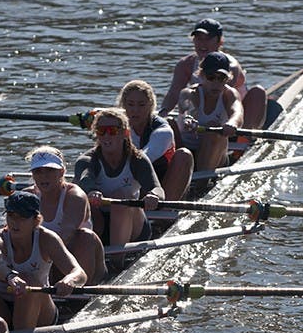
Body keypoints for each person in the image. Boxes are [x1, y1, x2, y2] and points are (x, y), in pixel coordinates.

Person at [0, 191, 87, 333]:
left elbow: (79, 272)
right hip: (3, 306)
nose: (15, 223)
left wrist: (69, 281)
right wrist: (10, 277)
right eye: (11, 216)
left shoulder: (47, 239)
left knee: (29, 282)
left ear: (36, 221)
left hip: (40, 309)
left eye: (22, 218)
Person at [73, 108, 165, 260]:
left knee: (120, 198)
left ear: (125, 133)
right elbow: (85, 179)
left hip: (134, 228)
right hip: (100, 223)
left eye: (113, 130)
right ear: (96, 134)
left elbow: (157, 188)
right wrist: (91, 191)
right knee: (80, 200)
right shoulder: (87, 160)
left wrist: (154, 195)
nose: (107, 135)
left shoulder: (137, 159)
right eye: (102, 131)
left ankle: (117, 261)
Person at [159, 18, 272, 130]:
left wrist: (231, 122)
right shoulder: (186, 64)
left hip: (234, 116)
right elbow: (174, 93)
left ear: (219, 41)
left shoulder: (230, 66)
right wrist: (163, 113)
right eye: (198, 38)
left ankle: (245, 138)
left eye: (207, 39)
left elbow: (222, 100)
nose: (202, 43)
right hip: (204, 116)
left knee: (258, 91)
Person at [24, 146, 107, 285]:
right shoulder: (27, 197)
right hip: (46, 261)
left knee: (85, 236)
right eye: (38, 171)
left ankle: (81, 290)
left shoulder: (75, 196)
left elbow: (66, 235)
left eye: (50, 170)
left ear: (62, 172)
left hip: (75, 260)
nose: (43, 176)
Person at [117, 79, 193, 201]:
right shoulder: (118, 126)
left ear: (150, 105)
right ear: (124, 105)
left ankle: (165, 213)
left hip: (164, 183)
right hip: (134, 181)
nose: (135, 110)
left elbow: (145, 157)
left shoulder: (163, 131)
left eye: (141, 105)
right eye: (130, 104)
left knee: (184, 154)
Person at [170, 51, 244, 173]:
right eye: (211, 77)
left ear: (228, 78)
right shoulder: (189, 93)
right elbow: (185, 109)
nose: (216, 83)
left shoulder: (229, 94)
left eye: (221, 78)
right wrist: (187, 118)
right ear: (201, 75)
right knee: (169, 124)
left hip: (216, 154)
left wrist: (232, 123)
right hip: (187, 148)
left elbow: (237, 112)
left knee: (214, 129)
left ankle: (202, 183)